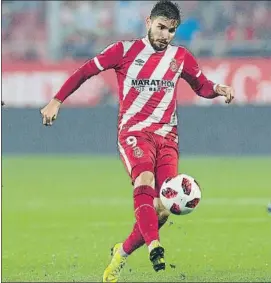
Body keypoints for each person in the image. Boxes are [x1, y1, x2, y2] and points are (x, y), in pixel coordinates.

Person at [40, 0, 234, 282]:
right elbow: (85, 71)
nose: (165, 35)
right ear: (148, 23)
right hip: (134, 133)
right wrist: (57, 100)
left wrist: (218, 88)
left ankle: (122, 253)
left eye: (171, 30)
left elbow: (201, 86)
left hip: (167, 138)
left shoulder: (181, 57)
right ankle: (154, 246)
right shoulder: (124, 51)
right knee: (144, 179)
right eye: (161, 27)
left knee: (165, 206)